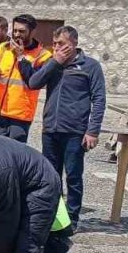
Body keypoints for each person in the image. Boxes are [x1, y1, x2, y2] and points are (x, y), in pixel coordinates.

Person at [27, 25, 106, 232]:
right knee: (51, 177)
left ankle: (72, 219)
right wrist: (55, 62)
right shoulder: (53, 63)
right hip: (50, 130)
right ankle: (53, 217)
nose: (57, 48)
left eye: (61, 44)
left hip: (75, 132)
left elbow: (99, 99)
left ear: (74, 43)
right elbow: (34, 83)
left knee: (73, 176)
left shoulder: (90, 66)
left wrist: (93, 130)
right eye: (54, 44)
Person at [0, 13, 52, 143]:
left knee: (12, 157)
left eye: (22, 31)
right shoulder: (3, 48)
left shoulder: (43, 56)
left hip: (18, 117)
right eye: (15, 30)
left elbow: (33, 82)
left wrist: (21, 57)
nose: (17, 34)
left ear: (33, 31)